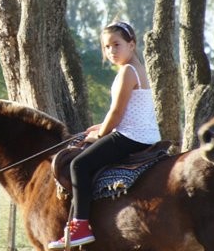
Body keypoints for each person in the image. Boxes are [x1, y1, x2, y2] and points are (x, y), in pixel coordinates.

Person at [48, 21, 161, 249]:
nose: (111, 51)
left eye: (116, 45)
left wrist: (100, 135)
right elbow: (127, 110)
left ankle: (80, 226)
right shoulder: (137, 69)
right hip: (144, 133)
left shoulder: (127, 72)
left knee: (79, 164)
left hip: (131, 136)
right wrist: (99, 127)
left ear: (132, 44)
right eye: (106, 47)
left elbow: (116, 112)